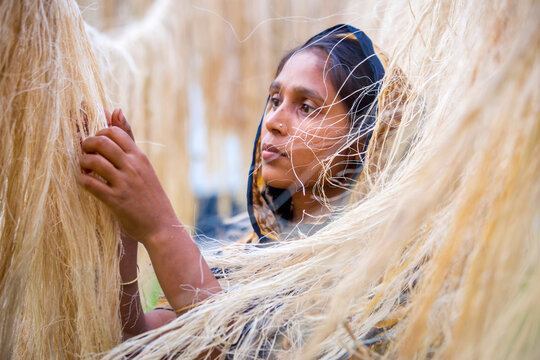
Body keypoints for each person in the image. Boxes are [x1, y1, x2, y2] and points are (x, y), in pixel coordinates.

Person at [77, 24, 386, 339]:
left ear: (364, 138)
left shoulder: (380, 276)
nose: (273, 121)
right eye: (275, 99)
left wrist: (160, 228)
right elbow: (137, 345)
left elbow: (234, 349)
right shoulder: (239, 262)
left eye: (306, 107)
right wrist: (124, 232)